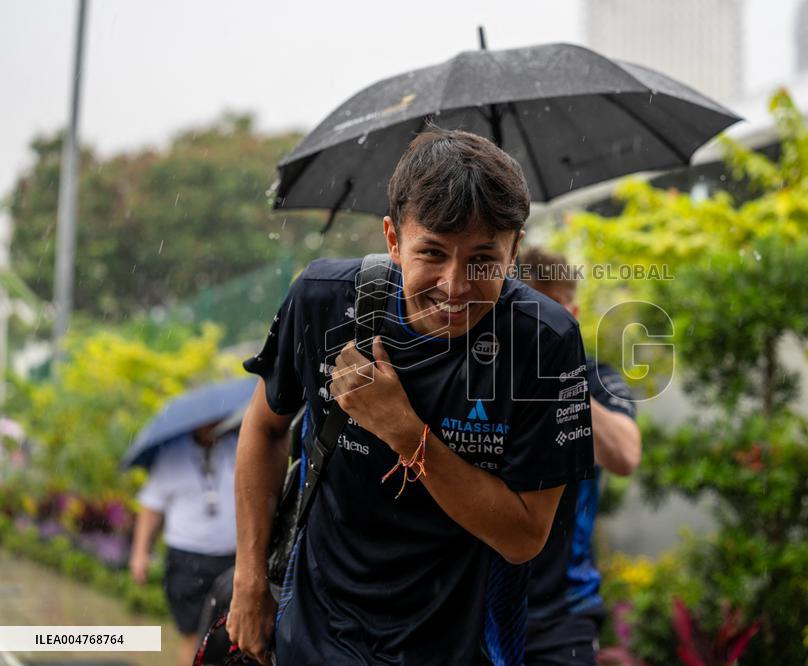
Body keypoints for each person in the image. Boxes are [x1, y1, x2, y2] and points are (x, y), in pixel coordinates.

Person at [228, 128, 595, 665]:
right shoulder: (327, 303)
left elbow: (522, 537)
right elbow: (264, 427)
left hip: (458, 644)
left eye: (482, 260)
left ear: (515, 250)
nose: (454, 285)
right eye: (433, 253)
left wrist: (401, 428)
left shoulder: (544, 341)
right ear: (393, 239)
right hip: (318, 634)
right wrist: (250, 577)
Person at [518, 246, 642, 666]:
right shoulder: (482, 377)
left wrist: (556, 374)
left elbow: (624, 454)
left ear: (571, 311)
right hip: (476, 602)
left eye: (545, 306)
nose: (532, 321)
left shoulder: (597, 378)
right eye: (521, 303)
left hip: (564, 610)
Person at [129, 422, 237, 666]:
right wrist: (140, 554)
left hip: (231, 559)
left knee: (229, 638)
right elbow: (151, 508)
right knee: (193, 638)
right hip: (188, 561)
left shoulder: (236, 446)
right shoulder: (172, 455)